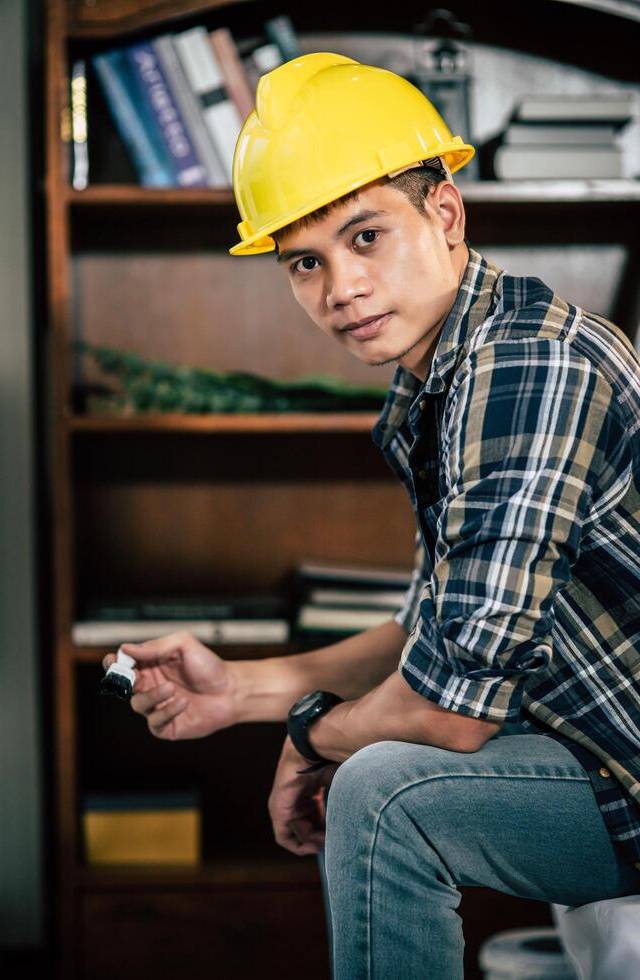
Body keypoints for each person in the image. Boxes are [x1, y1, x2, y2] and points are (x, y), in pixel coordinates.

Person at [102, 53, 640, 978]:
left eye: (365, 238)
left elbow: (448, 709)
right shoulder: (440, 379)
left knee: (385, 792)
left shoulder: (525, 369)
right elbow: (438, 633)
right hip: (595, 747)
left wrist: (312, 733)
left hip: (622, 767)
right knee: (378, 768)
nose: (337, 288)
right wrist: (242, 690)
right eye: (303, 262)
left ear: (444, 213)